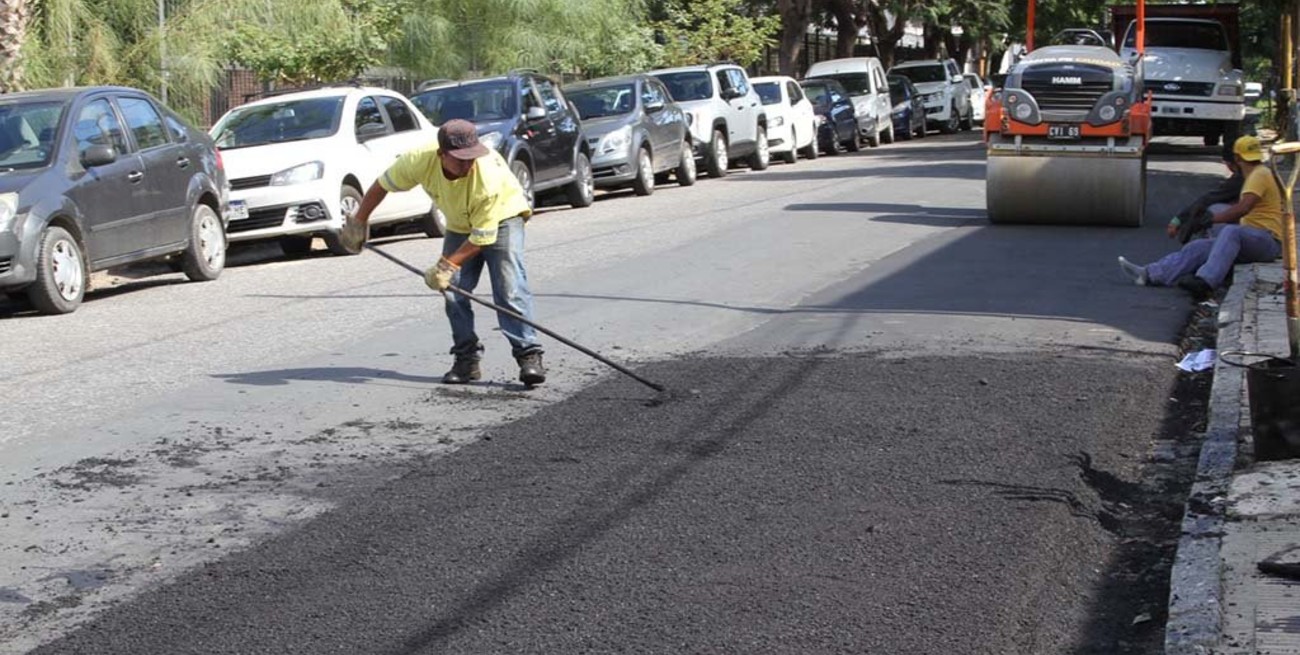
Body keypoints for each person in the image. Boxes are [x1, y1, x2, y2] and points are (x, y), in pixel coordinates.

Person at [353, 119, 546, 386]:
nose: (467, 165)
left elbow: (482, 237)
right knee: (454, 292)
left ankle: (528, 354)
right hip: (459, 224)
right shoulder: (418, 160)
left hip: (503, 218)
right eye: (459, 160)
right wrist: (358, 221)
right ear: (441, 154)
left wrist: (445, 266)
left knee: (509, 289)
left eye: (471, 158)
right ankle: (466, 361)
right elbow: (382, 185)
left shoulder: (487, 176)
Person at [1118, 135, 1283, 301]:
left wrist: (1212, 219)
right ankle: (1150, 274)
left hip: (1268, 241)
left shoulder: (1259, 175)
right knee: (1198, 247)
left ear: (1237, 157)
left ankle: (1205, 282)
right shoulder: (1254, 174)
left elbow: (1242, 208)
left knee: (1232, 232)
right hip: (1253, 239)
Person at [1167, 155, 1244, 244]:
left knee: (1214, 209)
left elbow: (1210, 199)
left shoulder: (1241, 179)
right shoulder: (1257, 173)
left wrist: (1207, 220)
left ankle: (1213, 244)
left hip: (1254, 228)